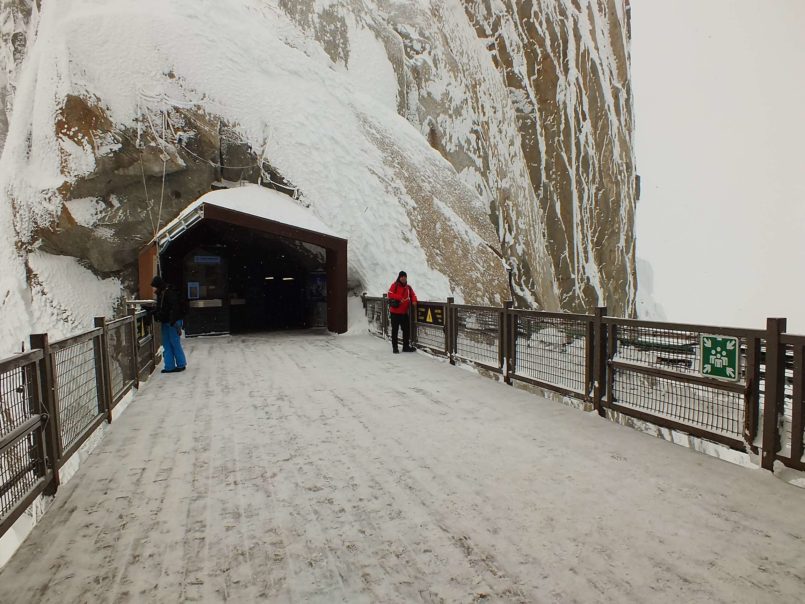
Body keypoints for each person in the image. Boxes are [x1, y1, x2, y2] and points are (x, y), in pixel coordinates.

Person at [151, 275, 187, 373]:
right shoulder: (164, 292)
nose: (153, 289)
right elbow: (167, 308)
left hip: (173, 322)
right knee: (168, 343)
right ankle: (170, 366)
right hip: (169, 321)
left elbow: (171, 308)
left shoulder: (167, 293)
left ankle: (179, 364)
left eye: (154, 286)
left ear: (158, 286)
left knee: (173, 343)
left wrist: (171, 319)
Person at [388, 271, 417, 354]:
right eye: (402, 276)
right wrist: (399, 297)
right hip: (395, 313)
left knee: (406, 330)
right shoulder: (395, 285)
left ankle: (405, 347)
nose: (403, 278)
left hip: (404, 313)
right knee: (395, 331)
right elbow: (389, 294)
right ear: (399, 277)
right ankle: (395, 348)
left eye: (405, 276)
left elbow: (413, 295)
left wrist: (414, 301)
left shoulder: (408, 288)